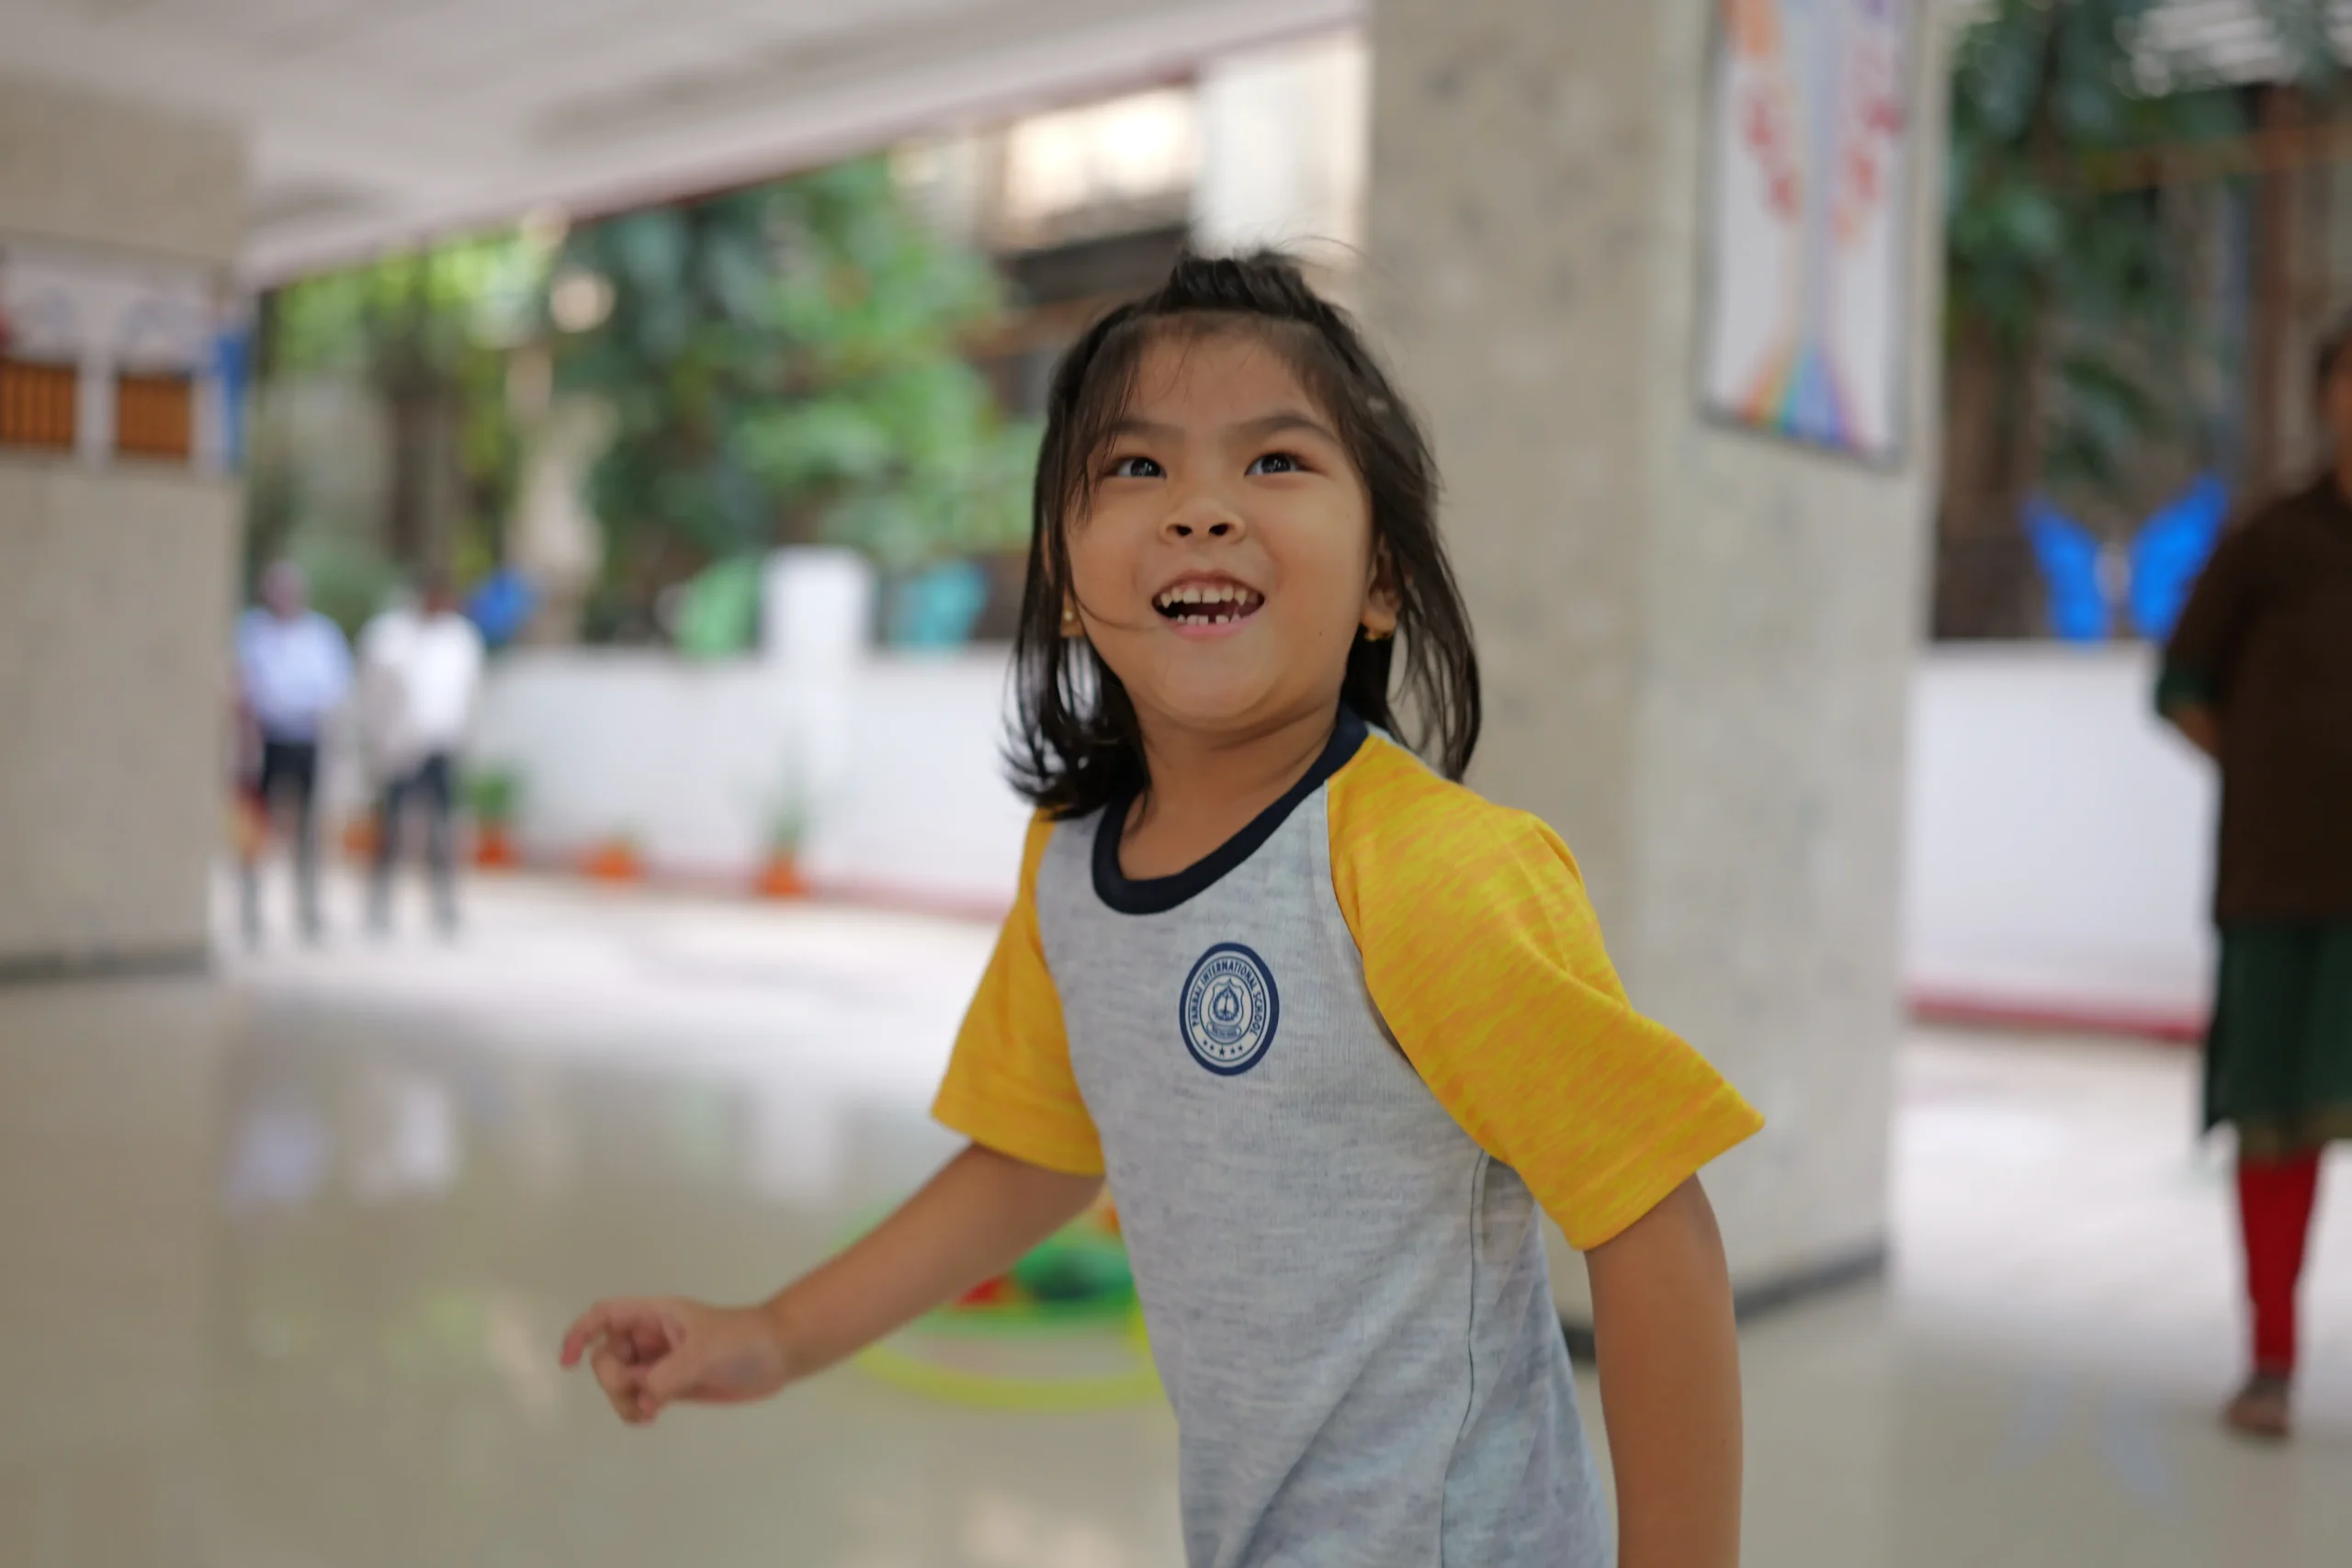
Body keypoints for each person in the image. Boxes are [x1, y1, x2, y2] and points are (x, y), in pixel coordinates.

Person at [559, 254, 1761, 1568]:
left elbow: (1648, 1220)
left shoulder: (1427, 867)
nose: (1199, 509)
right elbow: (1038, 1153)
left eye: (1275, 462)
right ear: (1071, 578)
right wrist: (772, 1332)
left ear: (1380, 581)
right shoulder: (1074, 865)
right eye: (1137, 468)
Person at [2160, 320, 2352, 1443]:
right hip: (2276, 883)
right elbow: (2180, 682)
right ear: (2325, 398)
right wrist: (2276, 768)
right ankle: (2269, 1362)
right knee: (2275, 1127)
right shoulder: (2268, 542)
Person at [360, 571, 484, 936]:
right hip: (399, 749)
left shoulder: (460, 640)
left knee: (443, 832)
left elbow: (469, 697)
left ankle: (443, 905)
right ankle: (379, 903)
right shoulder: (391, 637)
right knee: (391, 829)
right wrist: (378, 741)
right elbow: (372, 694)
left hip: (442, 748)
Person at [234, 560, 352, 944]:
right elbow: (242, 685)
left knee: (308, 828)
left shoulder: (321, 634)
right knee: (257, 825)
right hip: (266, 739)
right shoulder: (253, 631)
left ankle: (308, 907)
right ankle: (251, 907)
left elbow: (334, 686)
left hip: (306, 738)